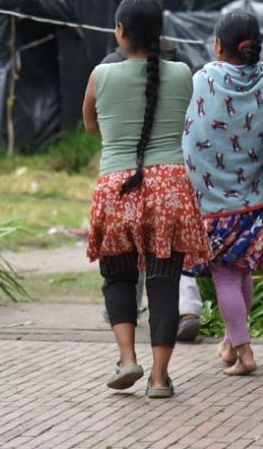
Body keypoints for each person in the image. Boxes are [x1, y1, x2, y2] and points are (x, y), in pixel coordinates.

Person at [83, 0, 212, 399]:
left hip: (118, 186)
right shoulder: (181, 74)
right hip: (170, 186)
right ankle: (159, 378)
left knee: (118, 276)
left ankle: (127, 359)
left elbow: (91, 126)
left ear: (120, 31)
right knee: (164, 281)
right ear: (160, 33)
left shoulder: (99, 76)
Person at [181, 11, 263, 376]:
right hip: (256, 196)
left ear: (217, 45)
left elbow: (193, 134)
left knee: (226, 277)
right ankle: (232, 343)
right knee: (241, 273)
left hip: (214, 203)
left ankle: (245, 352)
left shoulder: (203, 79)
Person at [99, 42, 205, 343]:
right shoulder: (182, 67)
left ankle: (124, 315)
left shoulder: (107, 67)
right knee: (172, 257)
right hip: (171, 174)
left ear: (121, 30)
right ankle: (187, 311)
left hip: (122, 174)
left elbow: (96, 122)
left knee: (123, 260)